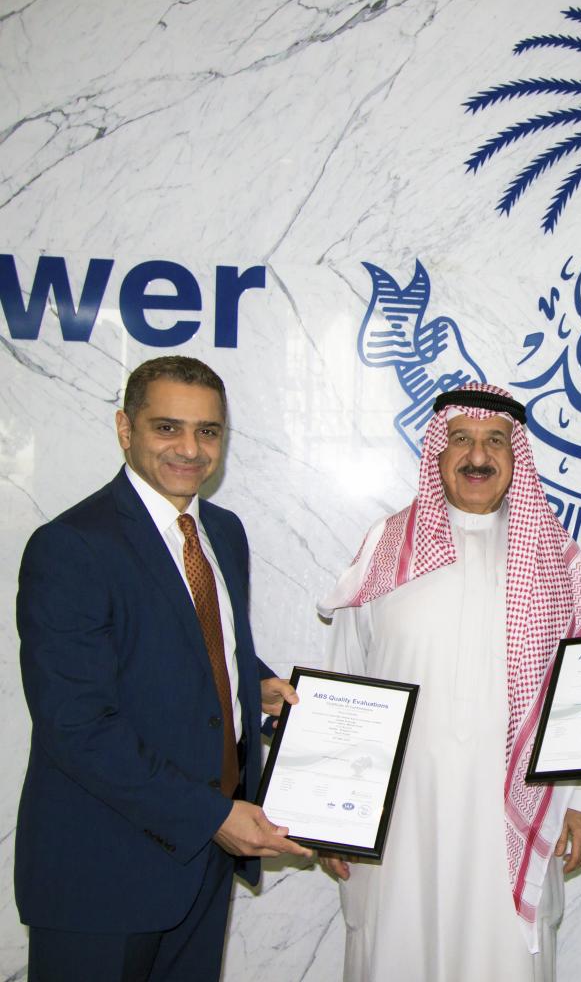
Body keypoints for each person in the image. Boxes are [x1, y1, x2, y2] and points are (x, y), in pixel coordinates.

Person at [16, 356, 313, 982]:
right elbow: (77, 724)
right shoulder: (72, 545)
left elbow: (195, 631)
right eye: (167, 428)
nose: (190, 449)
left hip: (201, 865)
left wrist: (248, 681)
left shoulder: (223, 532)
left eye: (208, 431)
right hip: (102, 872)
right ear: (126, 428)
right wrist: (213, 817)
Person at [318, 382, 581, 982]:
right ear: (437, 450)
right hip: (400, 821)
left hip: (511, 814)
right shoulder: (386, 547)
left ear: (516, 453)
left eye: (495, 441)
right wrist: (329, 816)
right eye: (461, 440)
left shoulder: (554, 555)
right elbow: (344, 678)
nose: (478, 456)